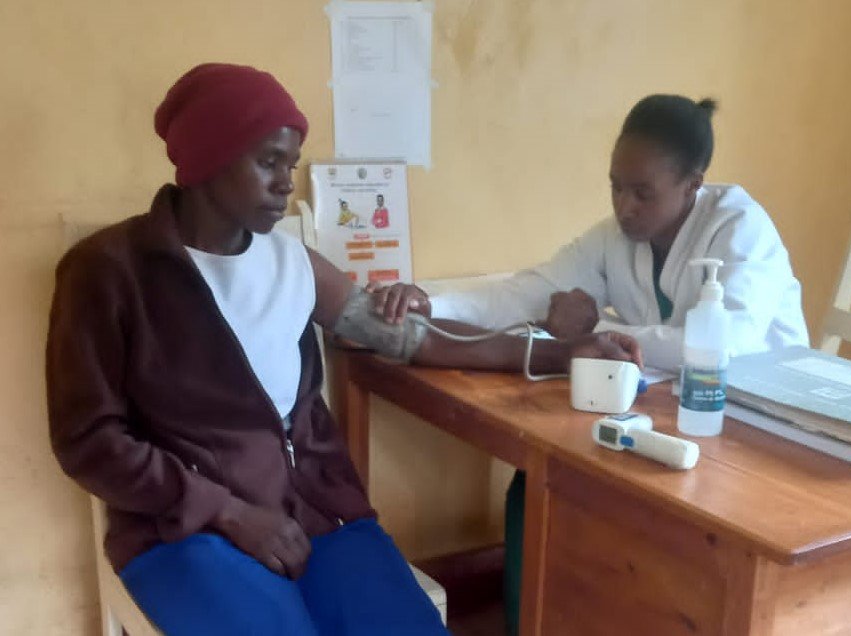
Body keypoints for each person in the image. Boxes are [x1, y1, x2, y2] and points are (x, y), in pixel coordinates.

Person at [45, 63, 641, 636]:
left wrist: (561, 352)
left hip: (315, 508)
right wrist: (226, 511)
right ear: (209, 159)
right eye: (269, 162)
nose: (285, 181)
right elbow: (88, 441)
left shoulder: (292, 262)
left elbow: (417, 340)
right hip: (181, 528)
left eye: (291, 162)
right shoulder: (107, 272)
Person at [369, 94, 810, 635]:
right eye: (616, 186)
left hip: (760, 432)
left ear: (693, 184)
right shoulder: (617, 237)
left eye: (642, 192)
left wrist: (593, 333)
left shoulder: (741, 227)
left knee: (649, 525)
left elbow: (728, 343)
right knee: (542, 486)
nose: (625, 206)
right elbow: (532, 290)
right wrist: (432, 303)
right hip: (665, 413)